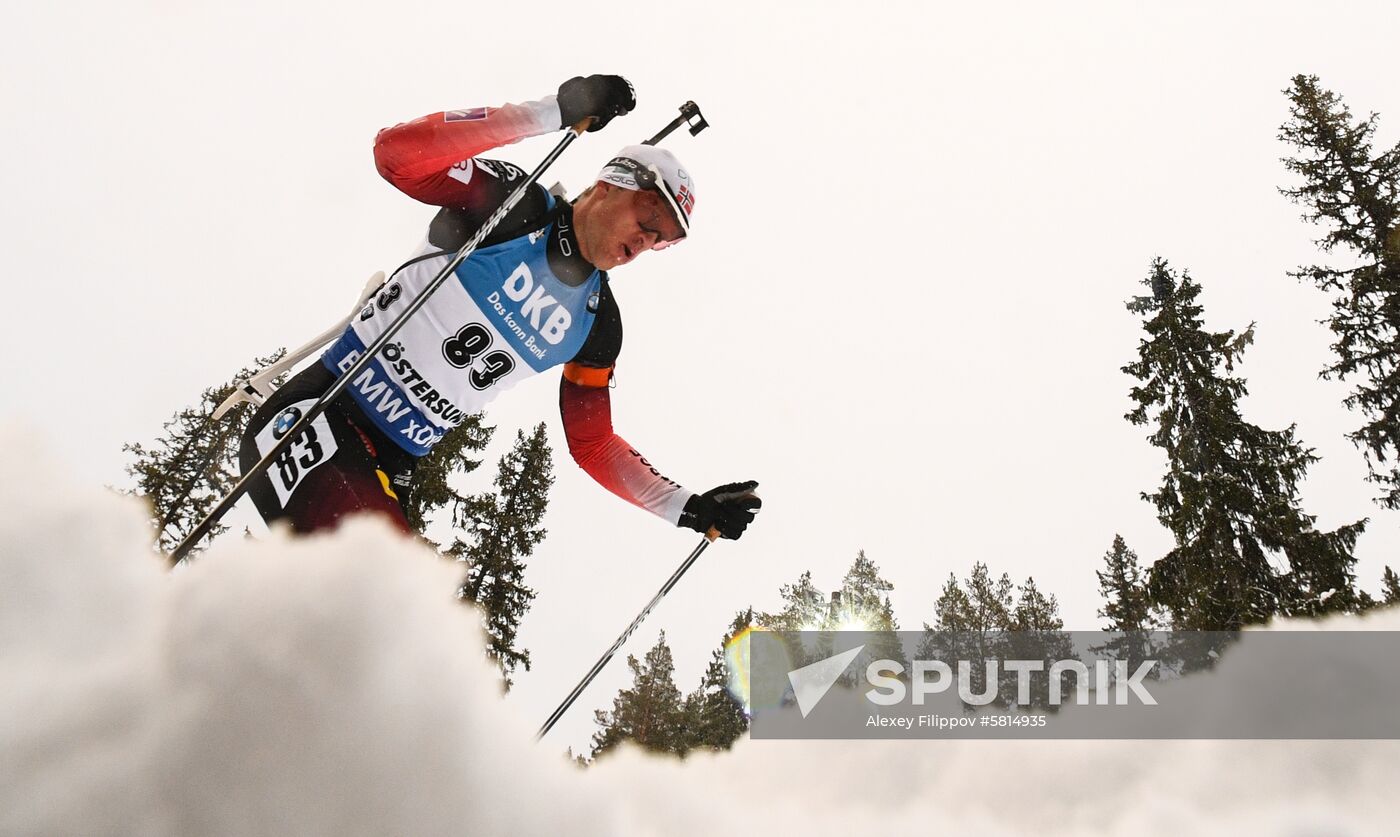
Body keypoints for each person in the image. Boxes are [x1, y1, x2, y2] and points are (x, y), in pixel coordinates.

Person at [238, 75, 760, 542]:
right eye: (650, 215)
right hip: (319, 413)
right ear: (608, 185)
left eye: (663, 239)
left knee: (395, 624)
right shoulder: (515, 205)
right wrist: (552, 111)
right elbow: (394, 155)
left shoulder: (597, 323)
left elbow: (593, 444)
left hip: (392, 469)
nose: (647, 240)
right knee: (392, 610)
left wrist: (687, 508)